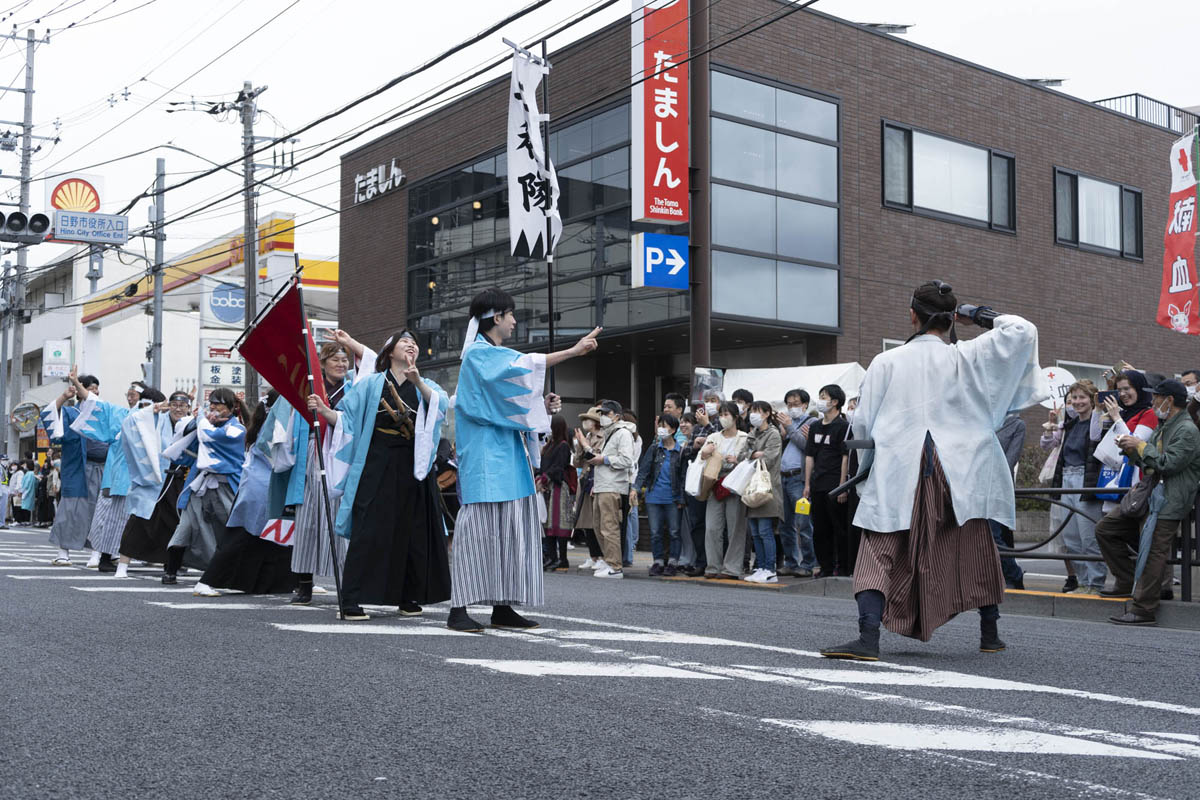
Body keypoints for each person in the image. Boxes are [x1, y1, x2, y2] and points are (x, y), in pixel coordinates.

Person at [821, 281, 1047, 661]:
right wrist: (977, 314)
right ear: (951, 318)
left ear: (913, 316)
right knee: (974, 543)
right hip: (958, 469)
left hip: (901, 464)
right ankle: (990, 632)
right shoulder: (968, 356)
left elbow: (862, 425)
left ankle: (868, 637)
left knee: (879, 547)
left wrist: (867, 472)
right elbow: (1023, 330)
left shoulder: (888, 361)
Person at [447, 287, 600, 632]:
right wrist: (574, 351)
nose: (515, 321)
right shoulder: (478, 355)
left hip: (507, 456)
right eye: (511, 314)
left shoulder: (492, 355)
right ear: (496, 316)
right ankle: (459, 608)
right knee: (479, 534)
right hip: (487, 457)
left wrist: (540, 406)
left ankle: (503, 606)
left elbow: (513, 396)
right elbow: (522, 365)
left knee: (510, 533)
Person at [317, 330, 451, 621]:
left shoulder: (425, 384)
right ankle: (351, 599)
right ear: (389, 352)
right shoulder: (371, 384)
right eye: (405, 341)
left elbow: (441, 405)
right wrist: (322, 410)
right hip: (377, 463)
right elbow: (347, 419)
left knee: (413, 531)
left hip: (414, 466)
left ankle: (407, 595)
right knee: (369, 530)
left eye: (414, 342)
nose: (411, 345)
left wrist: (416, 381)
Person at [265, 331, 375, 606]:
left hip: (340, 456)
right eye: (335, 359)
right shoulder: (309, 387)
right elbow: (282, 419)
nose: (341, 364)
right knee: (307, 523)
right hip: (311, 454)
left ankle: (344, 583)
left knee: (340, 521)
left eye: (344, 360)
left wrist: (351, 343)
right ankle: (303, 584)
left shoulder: (354, 389)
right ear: (322, 363)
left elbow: (371, 366)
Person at [1098, 380, 1200, 625]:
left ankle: (1144, 608)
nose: (1153, 402)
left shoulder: (1187, 429)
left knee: (1154, 550)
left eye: (1156, 398)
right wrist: (1131, 449)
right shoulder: (1165, 426)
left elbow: (1169, 464)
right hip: (1150, 495)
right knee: (1106, 529)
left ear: (1169, 400)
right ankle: (1128, 582)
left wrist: (1140, 446)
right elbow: (1150, 462)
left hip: (1170, 499)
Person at [195, 391, 297, 596]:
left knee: (275, 538)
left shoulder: (264, 427)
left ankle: (286, 583)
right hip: (262, 488)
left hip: (261, 486)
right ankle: (206, 581)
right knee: (243, 537)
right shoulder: (273, 428)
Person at [66, 370, 155, 573]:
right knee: (112, 519)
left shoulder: (156, 420)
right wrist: (77, 384)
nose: (134, 399)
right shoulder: (123, 416)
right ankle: (104, 556)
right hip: (120, 477)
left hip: (139, 478)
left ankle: (118, 556)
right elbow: (95, 403)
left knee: (130, 520)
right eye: (131, 395)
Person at [161, 388, 248, 584]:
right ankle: (171, 569)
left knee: (231, 529)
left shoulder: (236, 429)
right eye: (212, 404)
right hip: (200, 485)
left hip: (226, 487)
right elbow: (185, 439)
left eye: (219, 404)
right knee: (186, 526)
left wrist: (201, 420)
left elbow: (212, 437)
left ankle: (235, 572)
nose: (214, 408)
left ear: (231, 408)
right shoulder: (204, 425)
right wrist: (197, 421)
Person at [115, 391, 196, 575]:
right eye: (174, 404)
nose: (178, 409)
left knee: (176, 522)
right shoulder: (157, 419)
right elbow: (131, 422)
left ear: (188, 408)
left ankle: (172, 566)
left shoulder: (193, 423)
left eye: (182, 406)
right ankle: (122, 565)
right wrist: (153, 409)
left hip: (179, 479)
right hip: (152, 477)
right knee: (139, 519)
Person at [1039, 383, 1107, 594]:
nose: (1077, 402)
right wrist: (1052, 426)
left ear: (1092, 399)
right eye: (1074, 398)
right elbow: (1047, 444)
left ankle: (1095, 583)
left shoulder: (1099, 420)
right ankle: (1084, 582)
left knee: (1088, 536)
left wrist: (1097, 408)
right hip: (1066, 479)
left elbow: (1096, 436)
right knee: (1071, 538)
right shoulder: (1070, 423)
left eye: (1082, 398)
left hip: (1084, 481)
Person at [41, 375, 105, 565]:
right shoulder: (71, 412)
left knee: (99, 511)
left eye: (97, 388)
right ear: (80, 389)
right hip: (77, 468)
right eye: (92, 388)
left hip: (101, 468)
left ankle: (97, 553)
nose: (96, 392)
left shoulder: (102, 411)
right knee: (70, 509)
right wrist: (64, 396)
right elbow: (49, 414)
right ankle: (63, 552)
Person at [805, 384, 851, 576]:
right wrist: (807, 484)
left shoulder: (844, 427)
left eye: (824, 397)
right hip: (817, 484)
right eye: (820, 396)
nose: (820, 400)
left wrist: (842, 486)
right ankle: (825, 567)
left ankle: (842, 567)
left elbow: (845, 457)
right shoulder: (815, 426)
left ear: (835, 402)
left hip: (834, 485)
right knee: (820, 529)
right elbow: (809, 456)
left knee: (838, 528)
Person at [701, 401, 750, 579]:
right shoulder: (713, 436)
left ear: (736, 417)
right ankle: (713, 566)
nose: (723, 418)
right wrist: (704, 452)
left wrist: (737, 460)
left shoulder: (745, 437)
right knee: (712, 528)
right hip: (715, 483)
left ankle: (732, 568)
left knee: (735, 528)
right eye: (721, 415)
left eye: (727, 414)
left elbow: (749, 459)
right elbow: (702, 458)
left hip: (735, 484)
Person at [589, 400, 637, 579]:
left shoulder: (623, 433)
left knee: (609, 527)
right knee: (598, 525)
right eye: (601, 413)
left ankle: (615, 566)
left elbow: (626, 460)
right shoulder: (609, 433)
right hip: (602, 485)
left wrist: (604, 460)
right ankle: (609, 562)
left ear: (617, 416)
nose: (602, 417)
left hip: (614, 486)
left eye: (606, 414)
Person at [634, 413, 684, 576]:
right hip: (654, 496)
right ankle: (658, 561)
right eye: (660, 425)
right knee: (655, 532)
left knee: (674, 531)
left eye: (665, 426)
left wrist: (681, 499)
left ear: (674, 429)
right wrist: (635, 489)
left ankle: (673, 562)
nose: (661, 429)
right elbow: (643, 470)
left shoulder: (680, 451)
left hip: (673, 497)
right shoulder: (655, 448)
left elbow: (683, 477)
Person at [776, 388, 817, 577]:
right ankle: (790, 562)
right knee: (785, 524)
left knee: (803, 523)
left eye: (796, 404)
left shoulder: (812, 422)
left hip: (799, 479)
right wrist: (784, 431)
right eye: (789, 404)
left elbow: (806, 445)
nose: (792, 407)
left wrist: (790, 427)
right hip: (783, 477)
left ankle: (808, 564)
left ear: (805, 404)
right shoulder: (788, 425)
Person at [744, 400, 784, 584]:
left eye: (758, 411)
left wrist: (755, 454)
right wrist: (754, 454)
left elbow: (768, 458)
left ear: (767, 413)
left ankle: (770, 569)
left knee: (765, 530)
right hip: (752, 488)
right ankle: (760, 566)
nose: (754, 415)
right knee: (755, 531)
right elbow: (741, 456)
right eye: (752, 411)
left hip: (767, 488)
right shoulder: (752, 434)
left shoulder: (774, 434)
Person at [991, 412, 1027, 590]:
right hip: (975, 485)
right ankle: (998, 576)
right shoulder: (984, 416)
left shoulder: (1017, 424)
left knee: (993, 534)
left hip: (999, 486)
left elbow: (1010, 460)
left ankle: (1013, 573)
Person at [537, 415, 576, 572]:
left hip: (559, 487)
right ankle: (553, 557)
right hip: (548, 487)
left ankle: (563, 559)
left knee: (558, 525)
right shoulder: (550, 445)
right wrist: (540, 478)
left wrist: (543, 478)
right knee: (548, 525)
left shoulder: (563, 446)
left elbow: (559, 467)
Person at [572, 406, 606, 571]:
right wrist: (580, 445)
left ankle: (601, 556)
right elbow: (577, 463)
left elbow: (595, 458)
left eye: (588, 419)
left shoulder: (603, 436)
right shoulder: (586, 436)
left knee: (597, 522)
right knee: (586, 522)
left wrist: (585, 445)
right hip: (585, 482)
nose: (585, 422)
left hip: (596, 482)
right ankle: (593, 556)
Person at [678, 412, 708, 576]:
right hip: (693, 484)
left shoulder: (712, 426)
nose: (684, 425)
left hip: (711, 482)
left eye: (687, 422)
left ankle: (711, 562)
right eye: (681, 422)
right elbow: (686, 452)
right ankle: (700, 562)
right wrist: (695, 445)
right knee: (696, 524)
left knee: (711, 527)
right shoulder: (696, 433)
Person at [622, 409, 643, 567]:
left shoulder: (630, 438)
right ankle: (632, 545)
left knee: (630, 514)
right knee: (632, 514)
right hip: (631, 478)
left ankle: (631, 546)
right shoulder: (637, 438)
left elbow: (629, 460)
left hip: (628, 479)